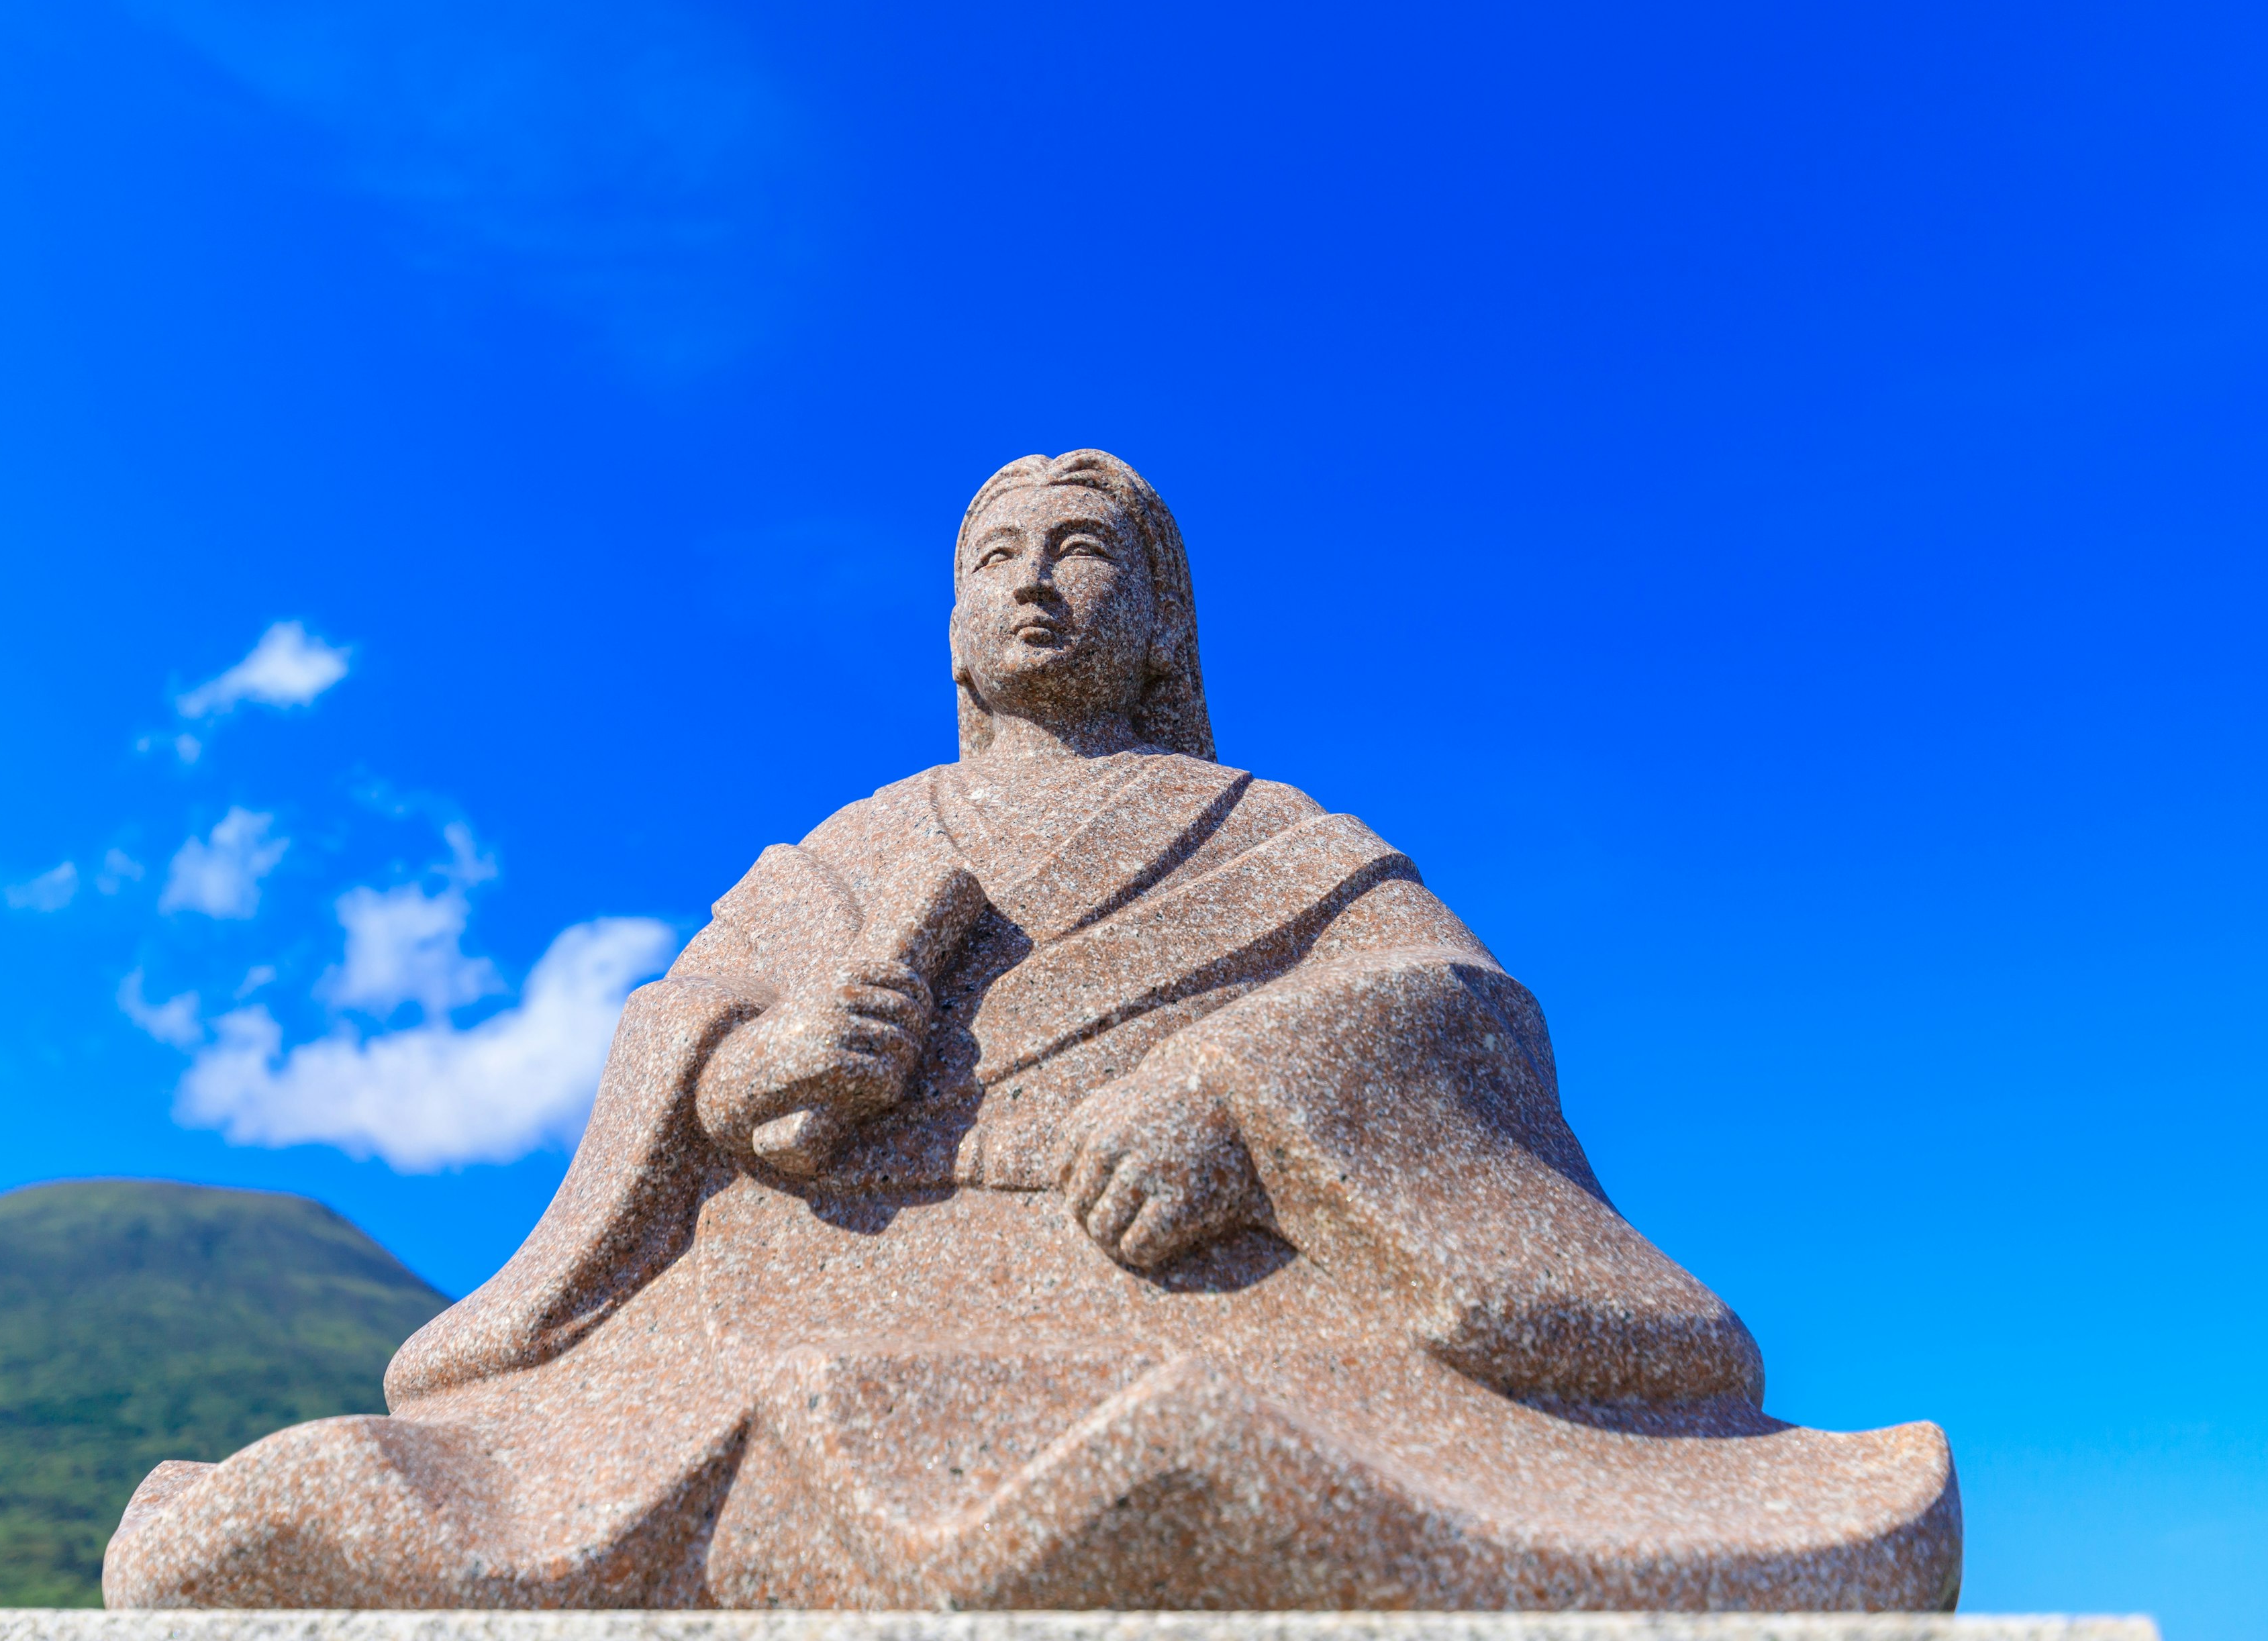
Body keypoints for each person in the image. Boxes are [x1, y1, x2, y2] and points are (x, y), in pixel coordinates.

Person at [106, 451, 1959, 1612]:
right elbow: (678, 1043)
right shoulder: (845, 852)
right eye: (998, 552)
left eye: (1087, 553)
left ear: (1160, 623)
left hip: (1189, 1321)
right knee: (287, 1527)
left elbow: (1460, 1021)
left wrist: (1249, 1095)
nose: (1035, 581)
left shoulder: (1284, 846)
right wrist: (757, 1080)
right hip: (784, 1311)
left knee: (1298, 1469)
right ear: (952, 617)